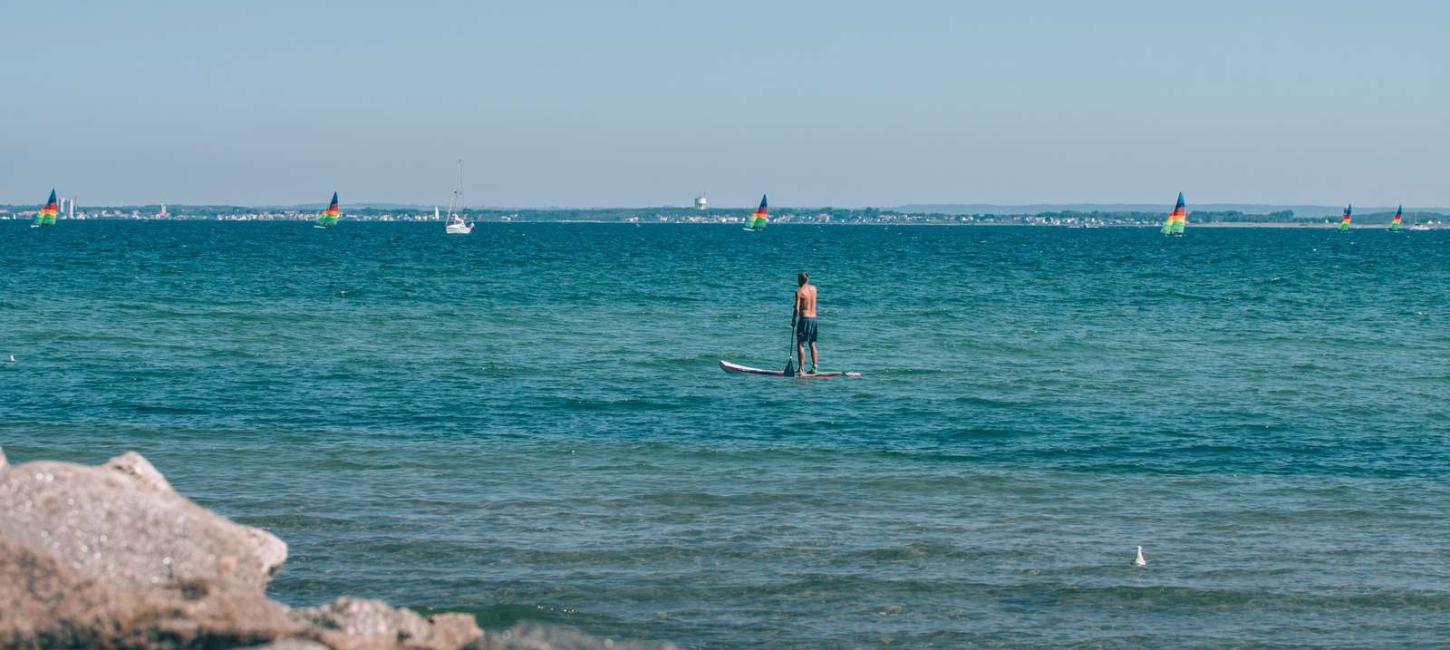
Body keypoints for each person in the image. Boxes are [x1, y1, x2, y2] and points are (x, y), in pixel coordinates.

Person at [794, 271, 819, 375]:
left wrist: (793, 320)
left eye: (798, 279)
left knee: (800, 343)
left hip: (804, 319)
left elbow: (796, 308)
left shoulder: (799, 291)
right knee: (812, 343)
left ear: (800, 280)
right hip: (814, 319)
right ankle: (815, 367)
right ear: (807, 279)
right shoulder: (814, 289)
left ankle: (801, 369)